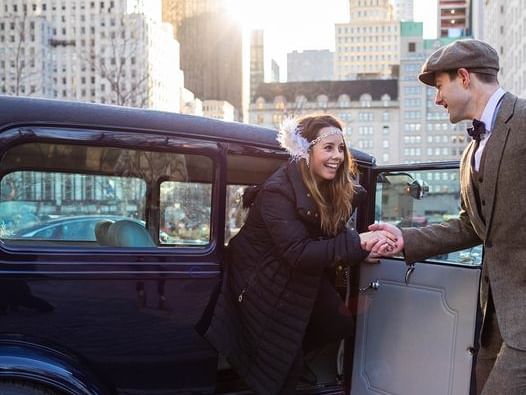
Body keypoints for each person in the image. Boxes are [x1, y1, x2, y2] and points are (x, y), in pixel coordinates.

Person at [197, 114, 396, 394]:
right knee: (279, 370)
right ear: (306, 151)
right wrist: (358, 243)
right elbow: (299, 251)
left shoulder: (328, 191)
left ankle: (297, 360)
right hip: (260, 286)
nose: (337, 156)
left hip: (296, 280)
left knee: (336, 321)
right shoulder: (277, 191)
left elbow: (328, 239)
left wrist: (361, 252)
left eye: (341, 148)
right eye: (328, 148)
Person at [370, 39, 526, 394]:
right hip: (496, 321)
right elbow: (473, 225)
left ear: (464, 77)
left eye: (439, 87)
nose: (437, 99)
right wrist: (403, 239)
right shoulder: (470, 152)